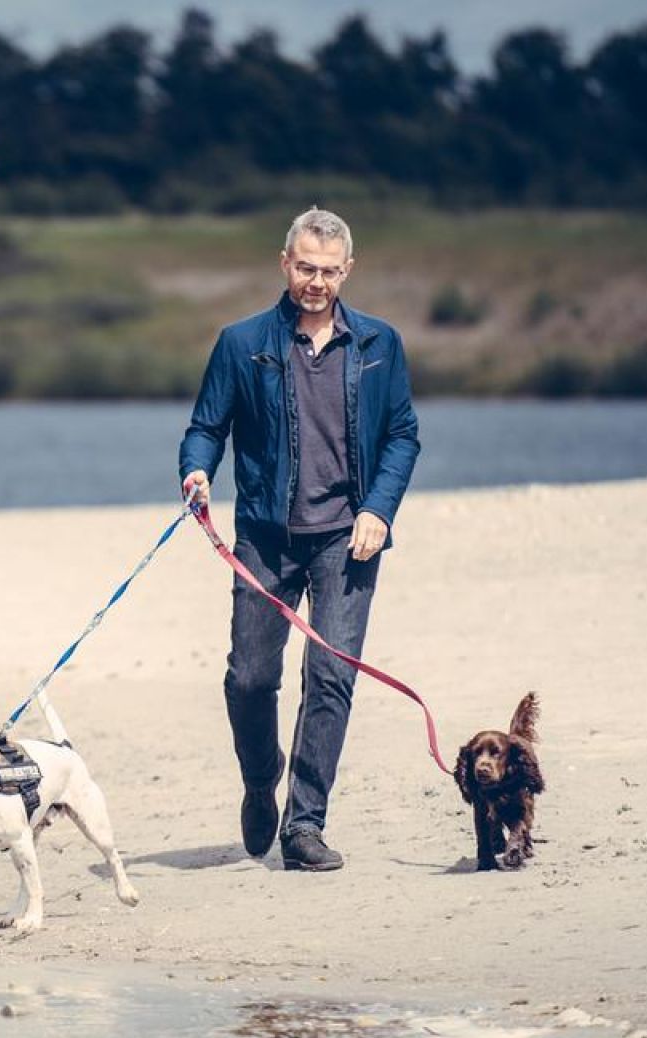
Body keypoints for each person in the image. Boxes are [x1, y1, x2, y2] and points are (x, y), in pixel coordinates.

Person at [178, 207, 420, 872]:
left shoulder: (380, 344)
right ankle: (261, 781)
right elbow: (207, 426)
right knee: (251, 679)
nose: (317, 281)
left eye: (329, 271)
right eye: (306, 267)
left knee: (331, 676)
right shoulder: (241, 342)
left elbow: (402, 433)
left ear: (348, 271)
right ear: (285, 263)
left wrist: (379, 508)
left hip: (348, 539)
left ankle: (304, 824)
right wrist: (196, 470)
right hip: (263, 536)